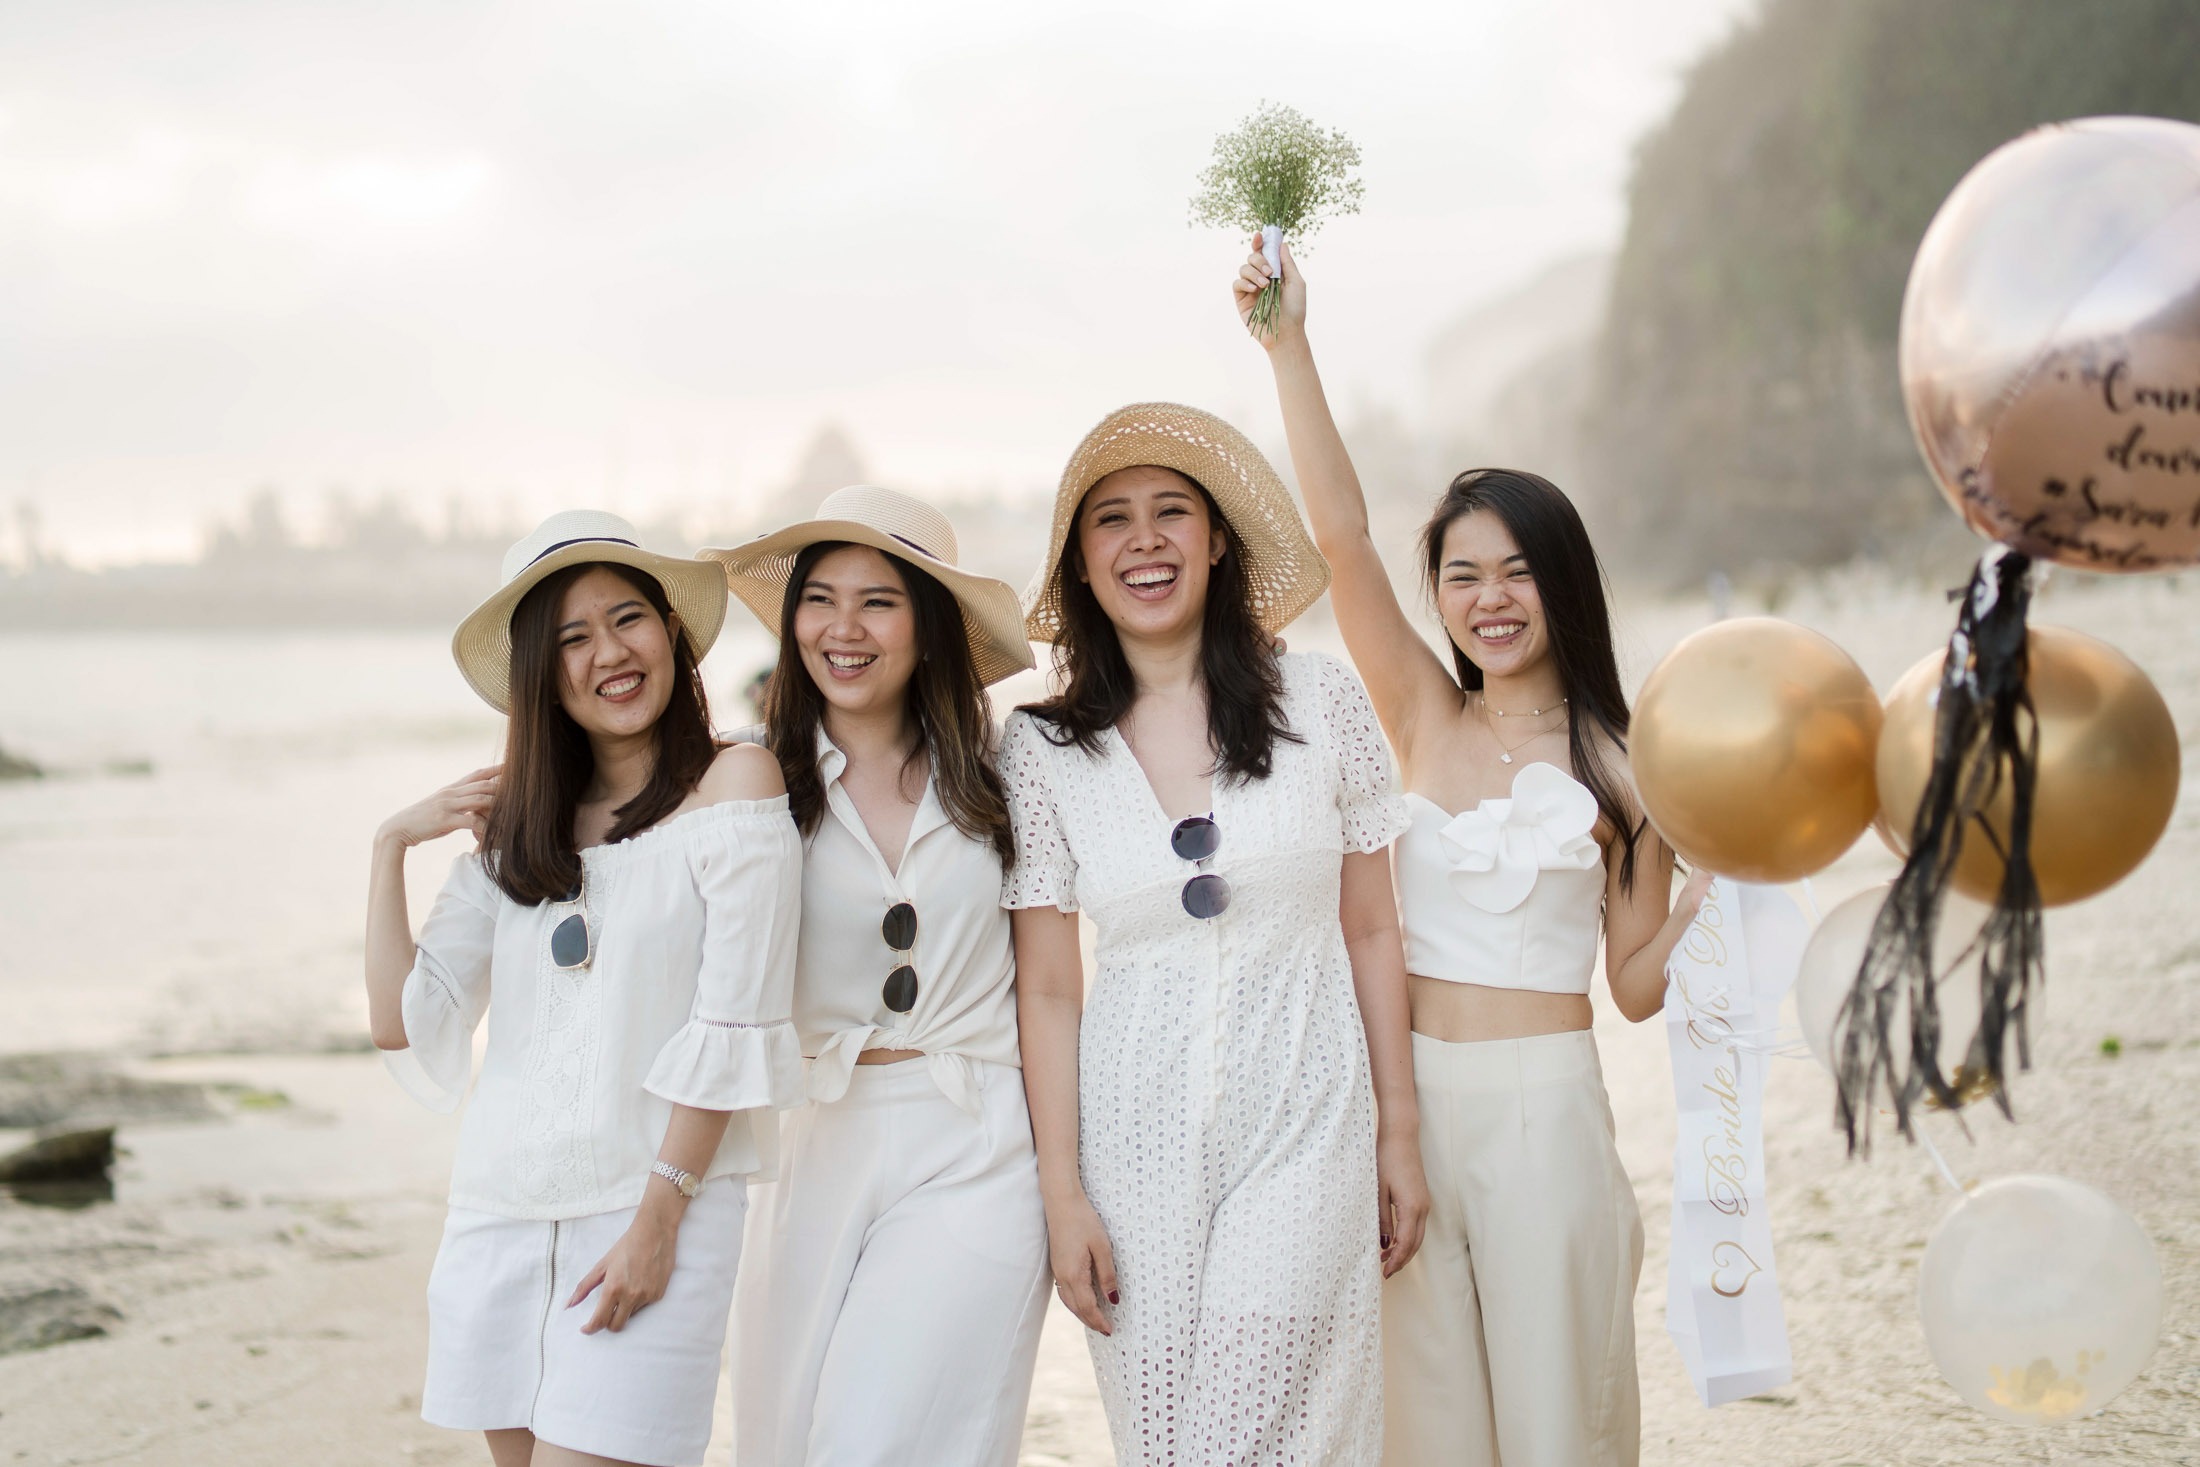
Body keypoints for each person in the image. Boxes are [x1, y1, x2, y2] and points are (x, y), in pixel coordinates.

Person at [1236, 241, 1711, 1466]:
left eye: (1515, 573)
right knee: (1428, 1429)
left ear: (1562, 585)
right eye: (1461, 578)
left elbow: (1633, 987)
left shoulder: (1629, 764)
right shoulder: (1421, 718)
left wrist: (1711, 885)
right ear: (1440, 599)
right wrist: (1288, 345)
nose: (1488, 599)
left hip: (1549, 1115)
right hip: (1405, 1112)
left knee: (1557, 1426)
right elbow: (1342, 541)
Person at [999, 404, 1429, 1465]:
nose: (1143, 539)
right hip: (1129, 1145)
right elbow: (1046, 987)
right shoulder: (1041, 750)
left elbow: (1373, 928)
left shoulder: (1319, 699)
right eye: (1111, 519)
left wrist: (1399, 1130)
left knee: (1241, 1437)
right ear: (1081, 562)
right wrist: (1062, 1192)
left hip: (1305, 1118)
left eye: (1171, 512)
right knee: (1163, 1443)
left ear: (1219, 540)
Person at [365, 510, 804, 1467]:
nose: (608, 652)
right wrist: (389, 845)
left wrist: (659, 1219)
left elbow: (733, 1022)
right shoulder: (519, 835)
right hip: (500, 1212)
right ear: (541, 672)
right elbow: (401, 1022)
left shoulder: (735, 784)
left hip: (652, 1206)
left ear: (671, 631)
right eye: (572, 636)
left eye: (627, 618)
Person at [703, 486, 1050, 1465]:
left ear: (929, 626)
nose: (842, 628)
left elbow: (1057, 983)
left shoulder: (1007, 769)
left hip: (978, 1140)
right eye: (819, 599)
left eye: (878, 602)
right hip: (810, 1143)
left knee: (886, 1440)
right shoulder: (750, 779)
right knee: (785, 1443)